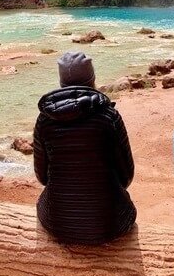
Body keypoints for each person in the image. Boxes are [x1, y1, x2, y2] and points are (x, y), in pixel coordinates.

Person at [33, 51, 136, 245]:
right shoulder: (109, 116)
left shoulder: (44, 120)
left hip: (57, 223)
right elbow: (126, 175)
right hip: (111, 224)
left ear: (61, 82)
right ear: (93, 79)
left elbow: (42, 177)